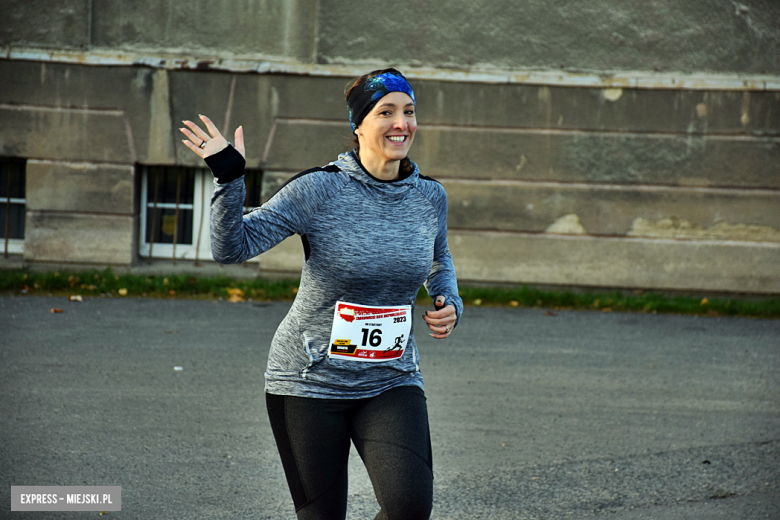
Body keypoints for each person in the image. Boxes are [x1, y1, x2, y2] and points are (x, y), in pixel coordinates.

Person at [179, 68, 463, 520]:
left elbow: (439, 260)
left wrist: (448, 300)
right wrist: (230, 178)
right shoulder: (319, 189)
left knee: (409, 508)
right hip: (308, 382)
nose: (402, 124)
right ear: (358, 125)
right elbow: (232, 248)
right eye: (386, 111)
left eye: (409, 112)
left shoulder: (429, 196)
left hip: (390, 378)